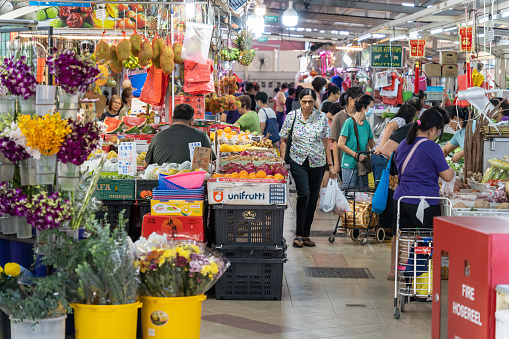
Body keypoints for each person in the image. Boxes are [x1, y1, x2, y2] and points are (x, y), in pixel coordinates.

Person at [388, 109, 454, 279]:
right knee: (424, 239)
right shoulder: (431, 147)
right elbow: (446, 175)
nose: (437, 135)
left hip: (401, 199)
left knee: (402, 236)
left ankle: (399, 272)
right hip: (424, 201)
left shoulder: (403, 144)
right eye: (438, 132)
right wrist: (452, 173)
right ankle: (419, 278)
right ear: (433, 129)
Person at [280, 88, 334, 248]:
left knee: (312, 198)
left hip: (318, 162)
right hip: (298, 161)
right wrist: (283, 161)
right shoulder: (292, 116)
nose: (307, 105)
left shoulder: (321, 117)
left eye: (310, 101)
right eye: (304, 101)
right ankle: (298, 234)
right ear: (299, 101)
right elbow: (283, 139)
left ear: (315, 101)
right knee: (304, 194)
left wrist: (330, 166)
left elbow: (326, 142)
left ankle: (306, 235)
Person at [144, 104, 215, 166]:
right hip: (192, 180)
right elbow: (209, 163)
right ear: (192, 121)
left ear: (171, 119)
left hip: (163, 180)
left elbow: (146, 164)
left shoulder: (157, 136)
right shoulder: (201, 136)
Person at [371, 104, 417, 187]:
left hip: (376, 156)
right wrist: (382, 146)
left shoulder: (397, 119)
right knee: (381, 187)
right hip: (382, 156)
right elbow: (389, 127)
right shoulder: (401, 121)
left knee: (379, 186)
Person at [337, 94, 375, 189]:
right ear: (363, 107)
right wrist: (356, 155)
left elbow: (371, 144)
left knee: (362, 194)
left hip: (363, 165)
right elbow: (340, 144)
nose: (371, 110)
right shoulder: (349, 123)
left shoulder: (366, 124)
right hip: (349, 165)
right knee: (350, 194)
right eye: (371, 107)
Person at [331, 87, 364, 180]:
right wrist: (336, 164)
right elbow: (335, 143)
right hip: (345, 162)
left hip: (360, 162)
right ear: (350, 99)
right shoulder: (338, 117)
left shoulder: (361, 117)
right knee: (347, 191)